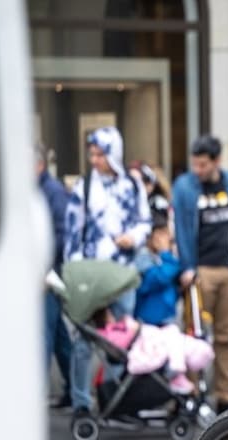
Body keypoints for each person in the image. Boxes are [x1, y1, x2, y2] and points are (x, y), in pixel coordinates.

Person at [64, 126, 152, 418]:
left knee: (121, 340)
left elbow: (145, 222)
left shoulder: (133, 185)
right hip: (91, 277)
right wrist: (75, 272)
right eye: (92, 154)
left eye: (100, 154)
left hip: (123, 275)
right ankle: (81, 404)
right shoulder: (85, 186)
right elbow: (72, 233)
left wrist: (133, 237)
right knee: (83, 341)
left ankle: (115, 401)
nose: (94, 160)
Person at [172, 135, 228, 413]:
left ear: (217, 161)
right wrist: (187, 267)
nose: (198, 170)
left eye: (203, 164)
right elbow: (181, 228)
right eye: (195, 164)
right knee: (194, 334)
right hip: (200, 270)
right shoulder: (184, 187)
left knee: (226, 336)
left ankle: (225, 395)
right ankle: (191, 393)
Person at [38, 142, 72, 406]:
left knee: (44, 332)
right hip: (42, 271)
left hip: (48, 273)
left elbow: (61, 234)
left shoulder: (52, 192)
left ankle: (36, 394)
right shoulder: (37, 190)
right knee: (57, 331)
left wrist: (45, 268)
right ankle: (73, 389)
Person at [133, 218, 181, 326]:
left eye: (166, 235)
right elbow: (160, 278)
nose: (164, 239)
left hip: (169, 321)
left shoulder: (169, 257)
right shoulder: (142, 257)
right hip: (147, 323)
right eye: (160, 234)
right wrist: (165, 252)